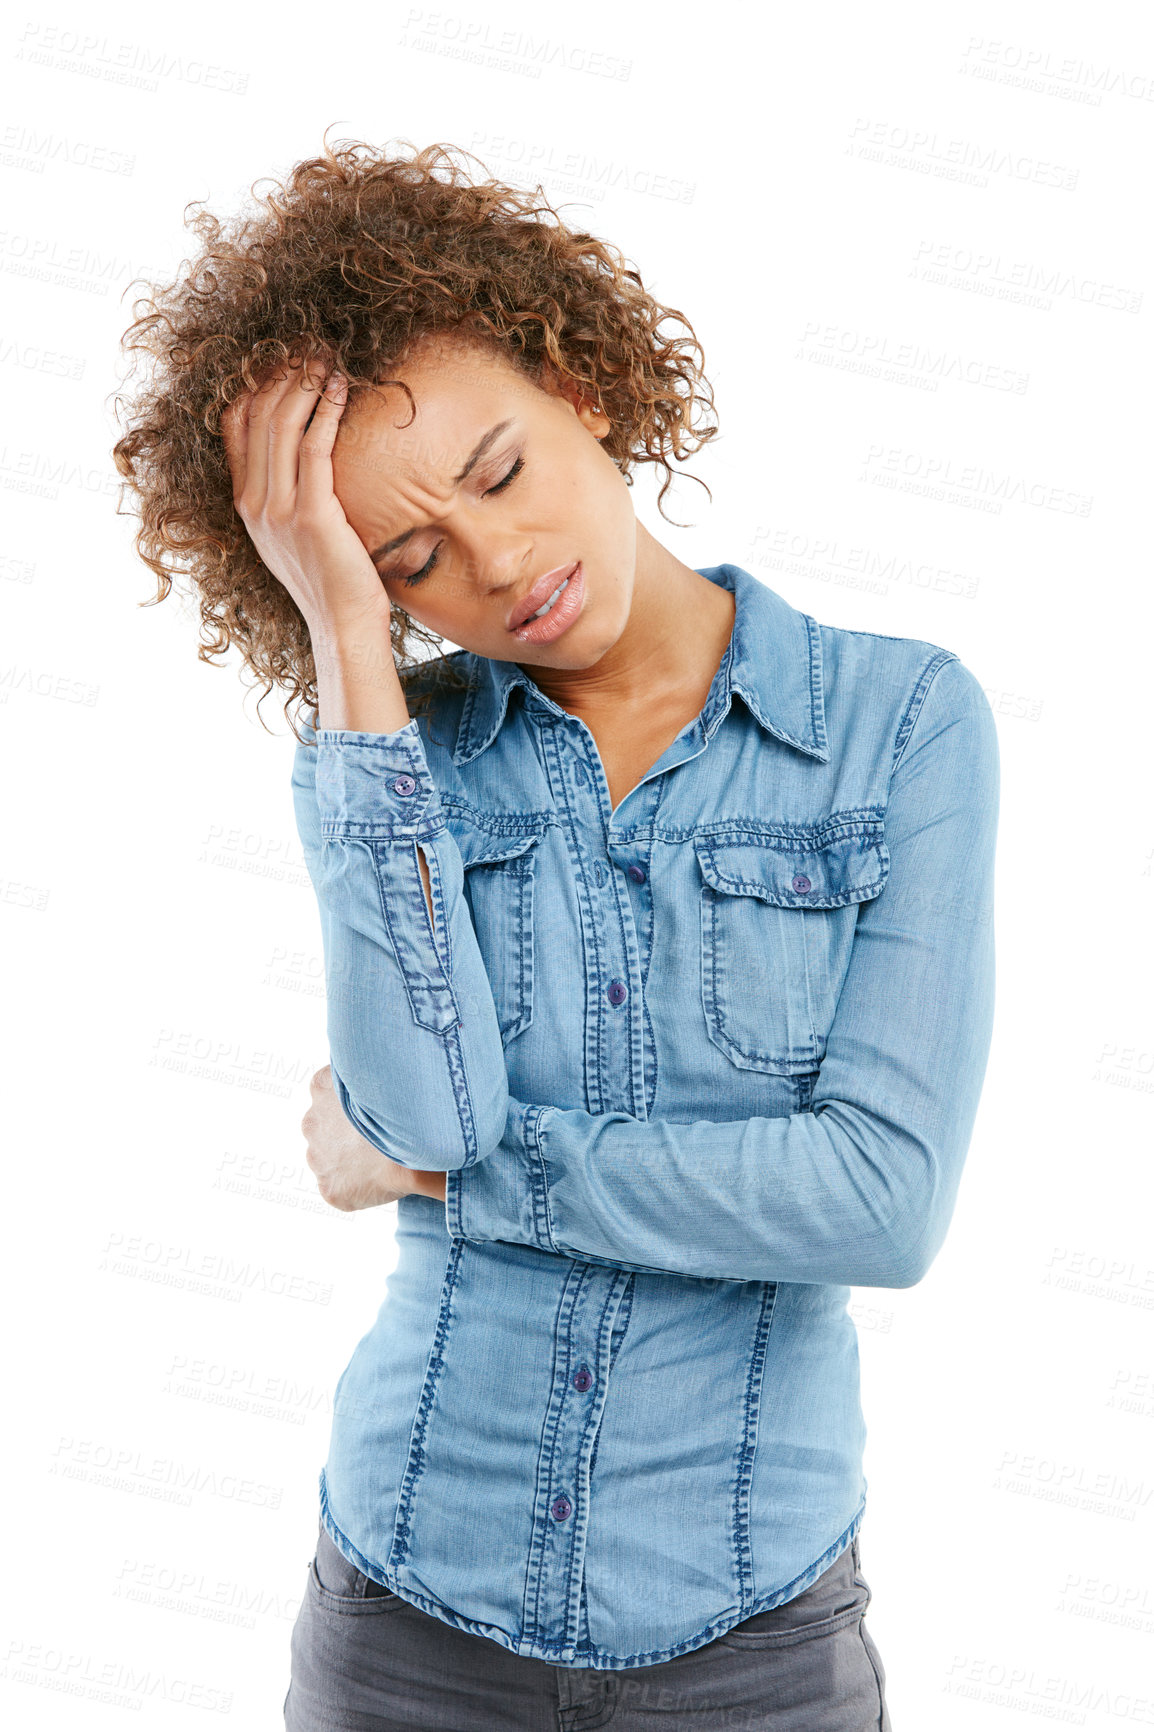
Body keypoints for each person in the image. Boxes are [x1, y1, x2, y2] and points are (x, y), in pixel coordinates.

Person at [113, 134, 999, 1731]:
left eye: (502, 473)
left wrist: (455, 1176)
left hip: (750, 1639)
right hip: (403, 1616)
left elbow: (879, 1201)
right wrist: (341, 638)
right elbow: (425, 1099)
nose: (501, 564)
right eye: (408, 561)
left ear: (584, 379)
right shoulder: (405, 756)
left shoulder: (901, 724)